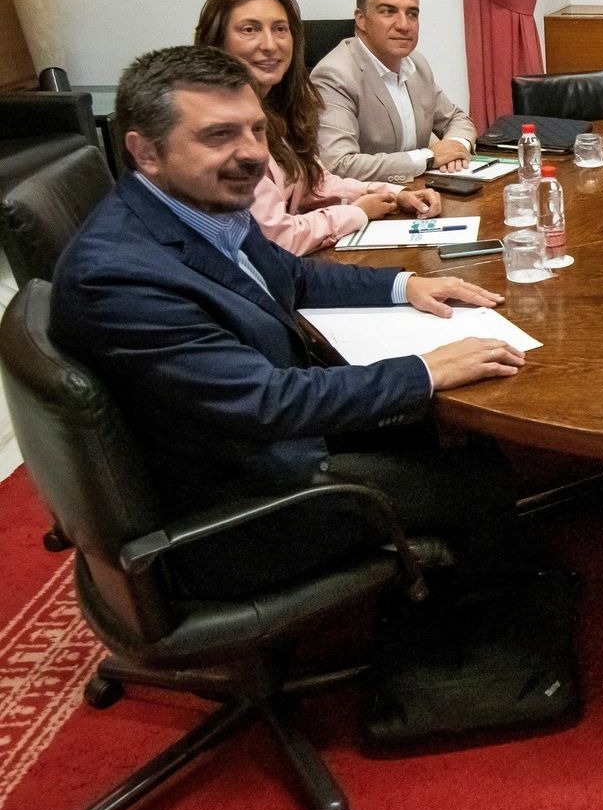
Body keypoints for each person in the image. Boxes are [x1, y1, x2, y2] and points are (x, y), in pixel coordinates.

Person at [51, 45, 527, 599]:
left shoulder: (199, 204)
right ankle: (481, 630)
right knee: (481, 477)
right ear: (145, 151)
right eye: (218, 135)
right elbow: (267, 402)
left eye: (256, 130)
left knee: (428, 425)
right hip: (236, 511)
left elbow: (292, 277)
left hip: (245, 444)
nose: (253, 154)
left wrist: (404, 285)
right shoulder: (119, 279)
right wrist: (424, 370)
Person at [195, 0, 442, 254]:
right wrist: (356, 213)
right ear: (217, 41)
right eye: (250, 30)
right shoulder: (218, 127)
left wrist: (394, 194)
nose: (269, 44)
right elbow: (274, 238)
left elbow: (315, 181)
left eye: (280, 29)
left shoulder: (278, 109)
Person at [312, 0, 478, 182]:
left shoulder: (416, 64)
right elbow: (338, 164)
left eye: (412, 14)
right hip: (364, 204)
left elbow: (456, 118)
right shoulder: (335, 74)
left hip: (418, 195)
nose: (404, 25)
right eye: (388, 12)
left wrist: (457, 146)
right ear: (361, 20)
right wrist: (429, 157)